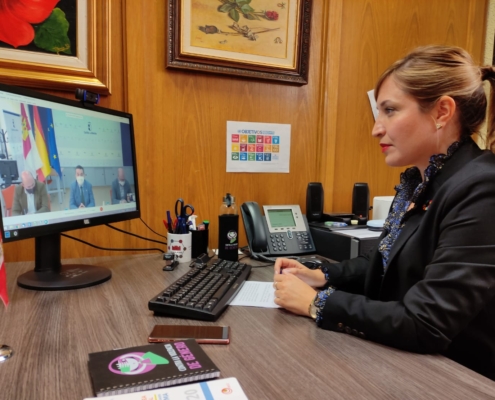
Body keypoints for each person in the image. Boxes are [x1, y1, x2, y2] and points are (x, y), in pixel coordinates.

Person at [273, 45, 495, 380]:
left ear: (443, 111)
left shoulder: (482, 188)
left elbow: (425, 324)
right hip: (400, 363)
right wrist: (322, 276)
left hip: (454, 379)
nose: (377, 128)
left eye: (390, 111)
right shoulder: (419, 181)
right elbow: (386, 262)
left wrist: (315, 303)